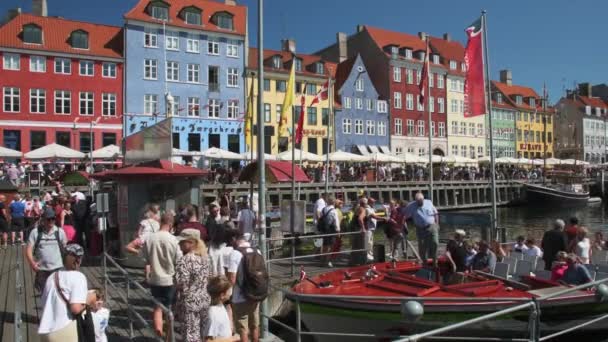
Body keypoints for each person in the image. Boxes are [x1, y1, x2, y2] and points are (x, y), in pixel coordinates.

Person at [126, 213, 182, 337]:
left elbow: (144, 257)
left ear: (161, 222)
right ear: (171, 224)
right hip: (169, 280)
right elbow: (179, 260)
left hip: (155, 279)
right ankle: (169, 337)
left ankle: (158, 332)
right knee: (169, 310)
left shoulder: (151, 238)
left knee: (157, 307)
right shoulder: (174, 239)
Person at [38, 244, 88, 341]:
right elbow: (76, 309)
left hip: (45, 331)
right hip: (65, 330)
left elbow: (43, 303)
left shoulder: (52, 276)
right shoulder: (79, 277)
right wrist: (87, 303)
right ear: (79, 259)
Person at [228, 229, 265, 342]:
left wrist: (228, 295)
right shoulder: (257, 251)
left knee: (242, 328)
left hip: (240, 297)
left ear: (234, 239)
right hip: (255, 294)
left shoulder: (235, 254)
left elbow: (232, 279)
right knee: (255, 324)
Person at [175, 229, 211, 342]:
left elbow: (181, 284)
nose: (179, 244)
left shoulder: (185, 260)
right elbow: (209, 277)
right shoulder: (206, 258)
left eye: (182, 242)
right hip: (204, 300)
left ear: (191, 242)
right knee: (202, 333)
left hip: (189, 303)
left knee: (190, 334)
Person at [26, 208, 68, 293]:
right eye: (48, 219)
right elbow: (28, 249)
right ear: (43, 219)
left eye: (53, 218)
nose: (51, 221)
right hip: (42, 269)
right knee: (44, 294)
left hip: (58, 268)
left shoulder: (60, 232)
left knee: (58, 294)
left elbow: (65, 249)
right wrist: (32, 263)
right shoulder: (35, 232)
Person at [404, 192, 439, 265]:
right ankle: (424, 263)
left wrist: (437, 224)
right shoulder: (411, 206)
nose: (420, 203)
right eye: (418, 202)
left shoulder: (429, 202)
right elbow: (404, 215)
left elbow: (435, 213)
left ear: (423, 199)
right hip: (421, 229)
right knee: (422, 247)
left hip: (431, 226)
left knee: (435, 242)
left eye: (421, 201)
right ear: (415, 200)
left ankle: (435, 261)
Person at [205, 276, 239, 341]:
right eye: (229, 291)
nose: (230, 294)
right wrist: (232, 339)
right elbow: (209, 340)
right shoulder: (213, 314)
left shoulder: (220, 307)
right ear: (222, 295)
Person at [356, 197, 385, 262]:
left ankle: (370, 254)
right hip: (368, 228)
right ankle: (367, 256)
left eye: (374, 202)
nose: (374, 203)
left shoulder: (371, 208)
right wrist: (383, 218)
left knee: (371, 242)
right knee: (368, 242)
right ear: (369, 202)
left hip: (371, 228)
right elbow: (373, 216)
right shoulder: (367, 209)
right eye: (373, 202)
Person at [318, 195, 340, 267]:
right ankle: (328, 261)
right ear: (333, 202)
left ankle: (322, 260)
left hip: (324, 230)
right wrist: (338, 232)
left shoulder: (324, 209)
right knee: (330, 246)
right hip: (331, 230)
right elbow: (336, 222)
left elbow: (320, 217)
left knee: (324, 246)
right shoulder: (334, 211)